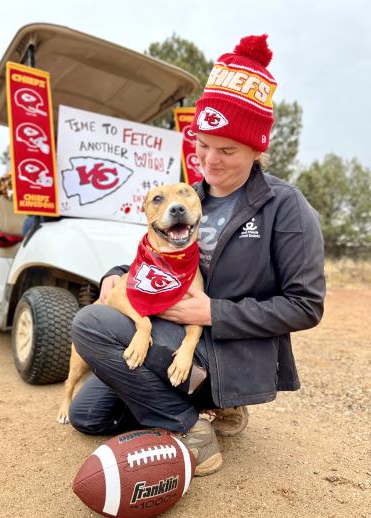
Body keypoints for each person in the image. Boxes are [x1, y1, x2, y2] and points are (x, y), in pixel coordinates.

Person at [70, 34, 326, 476]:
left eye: (227, 150)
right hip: (172, 339)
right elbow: (157, 258)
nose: (210, 160)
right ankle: (201, 403)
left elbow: (306, 306)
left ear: (256, 148)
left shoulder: (286, 207)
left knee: (90, 324)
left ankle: (192, 423)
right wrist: (116, 275)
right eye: (203, 145)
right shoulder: (188, 197)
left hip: (227, 348)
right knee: (88, 415)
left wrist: (215, 313)